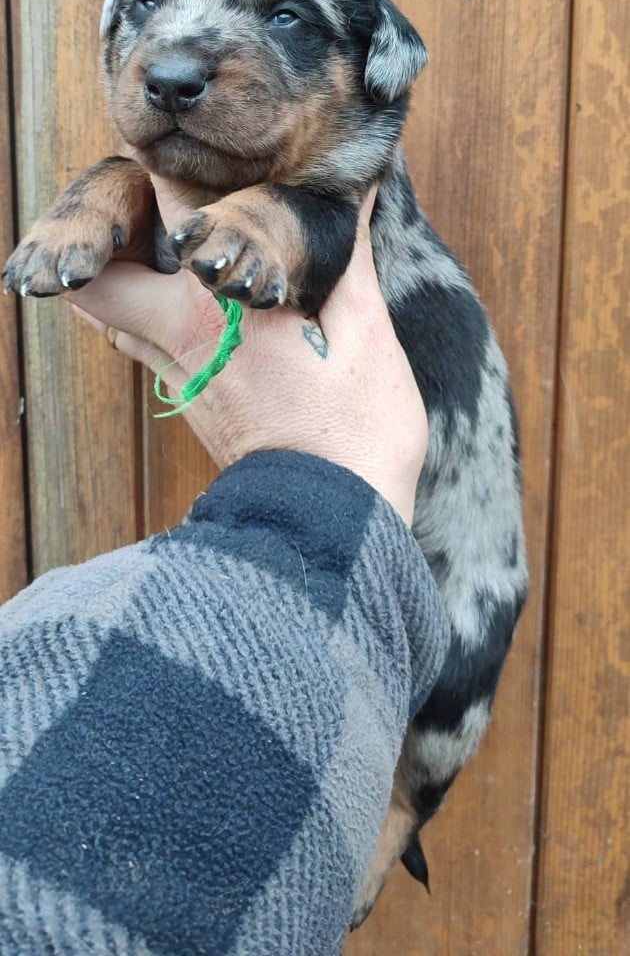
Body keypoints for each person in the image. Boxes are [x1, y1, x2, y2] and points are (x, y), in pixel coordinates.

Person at [0, 182, 450, 955]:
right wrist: (332, 474)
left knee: (465, 659)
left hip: (400, 533)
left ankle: (403, 806)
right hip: (343, 524)